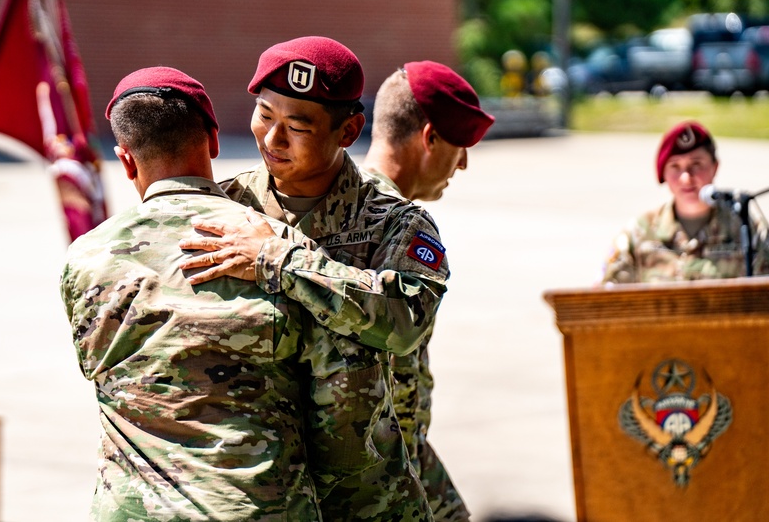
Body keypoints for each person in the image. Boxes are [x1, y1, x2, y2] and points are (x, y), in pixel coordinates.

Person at [59, 66, 404, 520]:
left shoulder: (86, 257)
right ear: (215, 141)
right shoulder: (275, 244)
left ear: (126, 160)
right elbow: (340, 406)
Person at [178, 36, 450, 520]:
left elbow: (403, 320)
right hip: (254, 500)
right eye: (265, 115)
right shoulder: (224, 209)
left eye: (297, 127)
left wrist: (281, 260)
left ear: (348, 131)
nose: (272, 139)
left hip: (362, 503)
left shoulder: (394, 222)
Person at [361, 60, 494, 521]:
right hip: (381, 471)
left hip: (403, 456)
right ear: (430, 137)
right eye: (459, 146)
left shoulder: (336, 205)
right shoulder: (401, 221)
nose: (463, 163)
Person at [600, 120, 769, 283]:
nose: (686, 178)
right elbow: (605, 300)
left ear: (715, 167)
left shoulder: (746, 230)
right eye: (675, 166)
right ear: (663, 173)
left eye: (696, 164)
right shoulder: (640, 233)